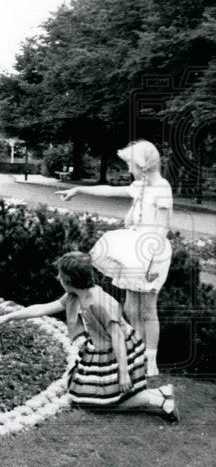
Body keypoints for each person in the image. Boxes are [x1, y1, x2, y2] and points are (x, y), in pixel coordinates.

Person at [0, 251, 178, 421]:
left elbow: (117, 336)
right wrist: (8, 317)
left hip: (120, 350)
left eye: (60, 275)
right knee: (84, 397)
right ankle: (160, 393)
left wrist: (123, 373)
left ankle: (158, 399)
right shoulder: (74, 296)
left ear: (69, 280)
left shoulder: (99, 302)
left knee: (100, 403)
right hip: (102, 348)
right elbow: (43, 308)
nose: (58, 278)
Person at [55, 141, 172, 376]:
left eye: (131, 164)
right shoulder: (141, 186)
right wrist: (78, 190)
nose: (129, 168)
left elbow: (161, 228)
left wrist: (151, 264)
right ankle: (137, 352)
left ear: (143, 165)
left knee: (147, 308)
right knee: (132, 306)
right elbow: (108, 190)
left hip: (152, 252)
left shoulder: (162, 188)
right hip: (134, 249)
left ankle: (151, 362)